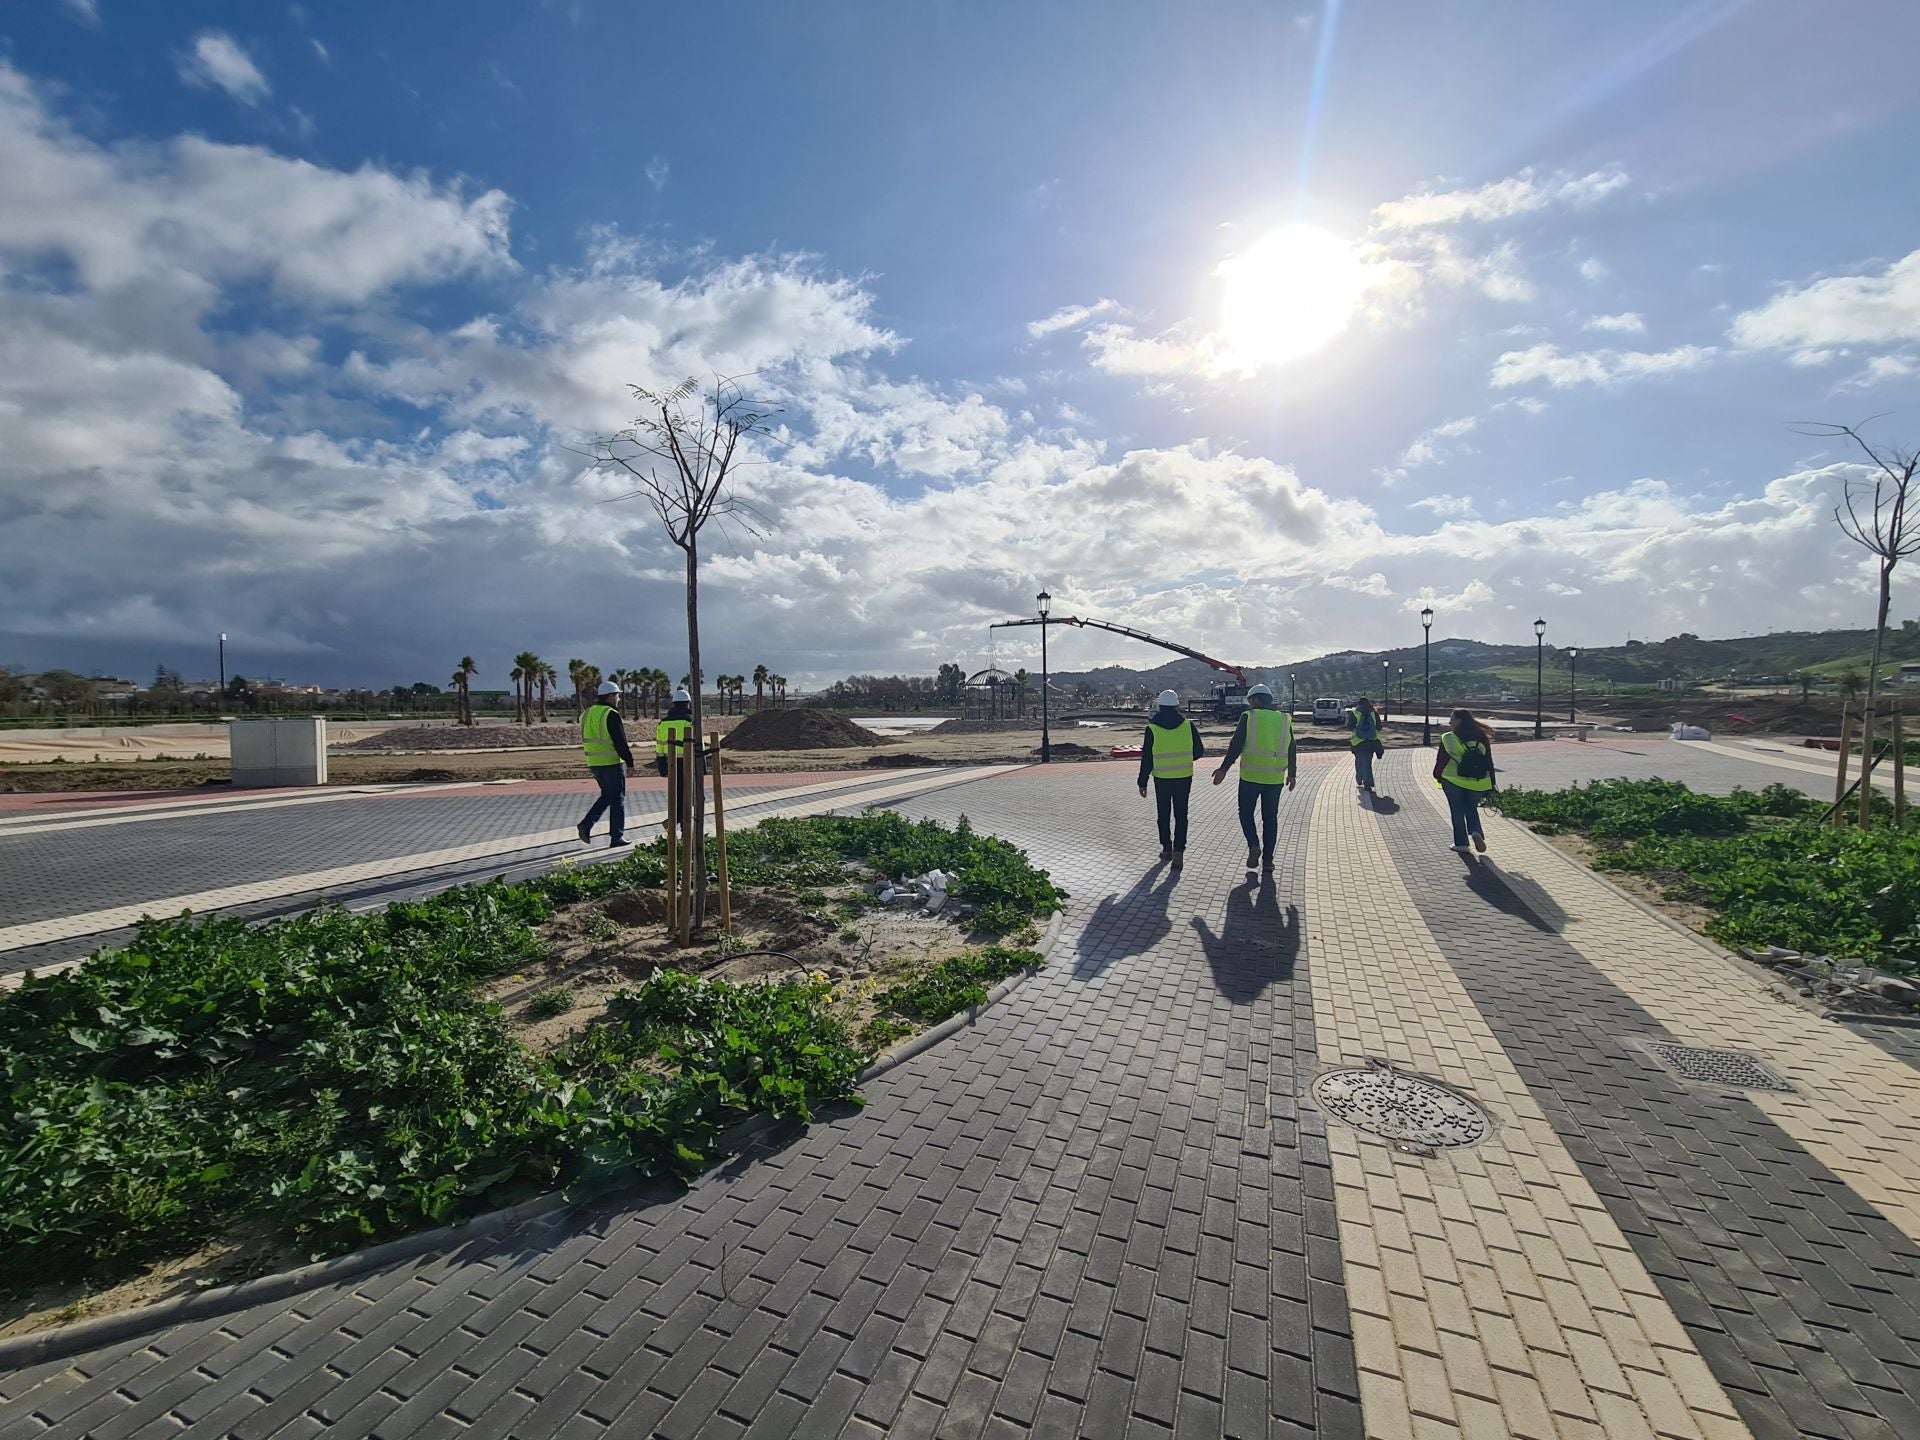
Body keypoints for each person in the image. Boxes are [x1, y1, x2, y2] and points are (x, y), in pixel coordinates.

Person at [1211, 683, 1296, 873]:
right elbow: (1292, 747)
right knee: (1270, 818)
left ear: (1256, 699)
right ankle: (1268, 861)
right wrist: (1292, 773)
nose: (1249, 704)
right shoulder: (1284, 719)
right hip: (1275, 778)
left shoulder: (1249, 717)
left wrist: (1223, 769)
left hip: (1251, 777)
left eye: (1250, 700)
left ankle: (1253, 845)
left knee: (1245, 813)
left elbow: (1236, 745)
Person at [1137, 688, 1205, 868]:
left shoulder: (1152, 728)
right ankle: (1179, 851)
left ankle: (1166, 848)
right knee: (1182, 815)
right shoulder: (1188, 725)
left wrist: (1142, 781)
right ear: (1176, 705)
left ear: (1160, 705)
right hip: (1184, 776)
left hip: (1162, 777)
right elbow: (1199, 751)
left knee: (1164, 814)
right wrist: (1184, 758)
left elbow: (1147, 758)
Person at [576, 679, 635, 848]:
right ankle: (616, 836)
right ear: (610, 696)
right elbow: (620, 742)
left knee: (608, 795)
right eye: (617, 695)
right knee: (618, 799)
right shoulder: (610, 714)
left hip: (594, 762)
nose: (618, 699)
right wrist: (630, 762)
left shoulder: (587, 714)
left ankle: (587, 824)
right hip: (611, 763)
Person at [1433, 708, 1497, 853]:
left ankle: (1461, 844)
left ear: (1459, 721)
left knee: (1457, 811)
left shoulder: (1448, 738)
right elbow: (1488, 761)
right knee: (1471, 808)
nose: (1449, 722)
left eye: (1452, 719)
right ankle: (1475, 832)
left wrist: (1437, 775)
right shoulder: (1481, 736)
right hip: (1478, 781)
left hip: (1453, 780)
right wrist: (1492, 782)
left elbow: (1441, 760)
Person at [655, 686, 698, 821]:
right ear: (688, 703)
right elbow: (698, 743)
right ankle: (682, 821)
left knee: (677, 792)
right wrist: (702, 766)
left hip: (671, 762)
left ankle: (677, 819)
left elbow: (660, 746)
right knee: (690, 793)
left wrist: (662, 767)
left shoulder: (663, 723)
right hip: (688, 761)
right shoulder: (691, 721)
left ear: (674, 704)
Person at [1347, 696, 1384, 792]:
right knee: (1367, 762)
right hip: (1371, 741)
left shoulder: (1355, 712)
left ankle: (1360, 779)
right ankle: (1366, 781)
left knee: (1359, 761)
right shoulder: (1374, 713)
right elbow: (1379, 727)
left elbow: (1349, 726)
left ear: (1359, 703)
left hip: (1358, 742)